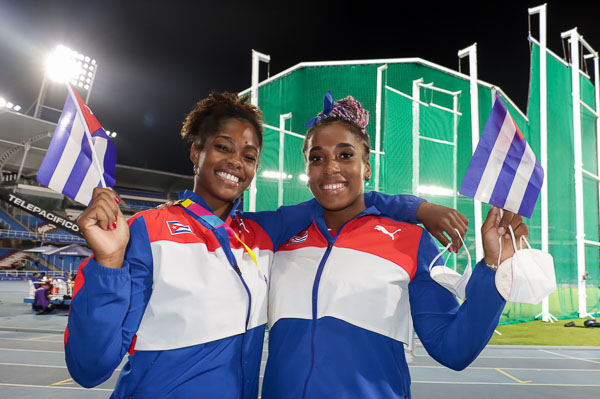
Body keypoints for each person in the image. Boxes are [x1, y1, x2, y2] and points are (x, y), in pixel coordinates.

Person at [65, 92, 473, 398]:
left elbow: (342, 194)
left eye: (249, 154)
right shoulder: (145, 231)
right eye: (223, 147)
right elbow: (89, 368)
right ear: (196, 152)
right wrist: (109, 261)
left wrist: (418, 208)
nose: (235, 162)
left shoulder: (262, 232)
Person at [259, 93, 527, 399]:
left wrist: (493, 266)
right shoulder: (280, 237)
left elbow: (453, 349)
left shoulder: (410, 241)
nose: (330, 168)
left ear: (367, 167)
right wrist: (416, 206)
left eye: (345, 155)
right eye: (316, 158)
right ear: (307, 171)